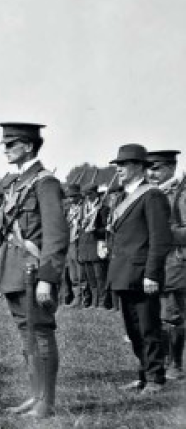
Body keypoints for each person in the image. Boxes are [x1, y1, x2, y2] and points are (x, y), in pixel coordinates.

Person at [0, 123, 68, 418]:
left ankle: (46, 402)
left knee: (40, 333)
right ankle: (35, 395)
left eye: (10, 144)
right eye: (4, 144)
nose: (4, 149)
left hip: (33, 271)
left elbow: (56, 236)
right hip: (13, 269)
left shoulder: (45, 183)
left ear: (28, 146)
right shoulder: (17, 183)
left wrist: (47, 278)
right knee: (26, 336)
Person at [104, 144, 172, 396]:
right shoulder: (123, 197)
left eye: (124, 164)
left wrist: (152, 274)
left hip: (143, 274)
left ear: (139, 167)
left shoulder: (152, 195)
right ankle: (144, 374)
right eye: (118, 165)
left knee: (148, 327)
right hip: (123, 272)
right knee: (133, 329)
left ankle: (156, 377)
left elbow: (160, 238)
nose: (119, 169)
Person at [147, 150, 186, 380]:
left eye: (157, 168)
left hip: (174, 262)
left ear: (171, 168)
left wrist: (163, 233)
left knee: (172, 315)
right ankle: (159, 362)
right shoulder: (153, 193)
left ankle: (175, 365)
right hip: (154, 263)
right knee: (154, 315)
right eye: (148, 168)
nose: (151, 173)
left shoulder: (181, 194)